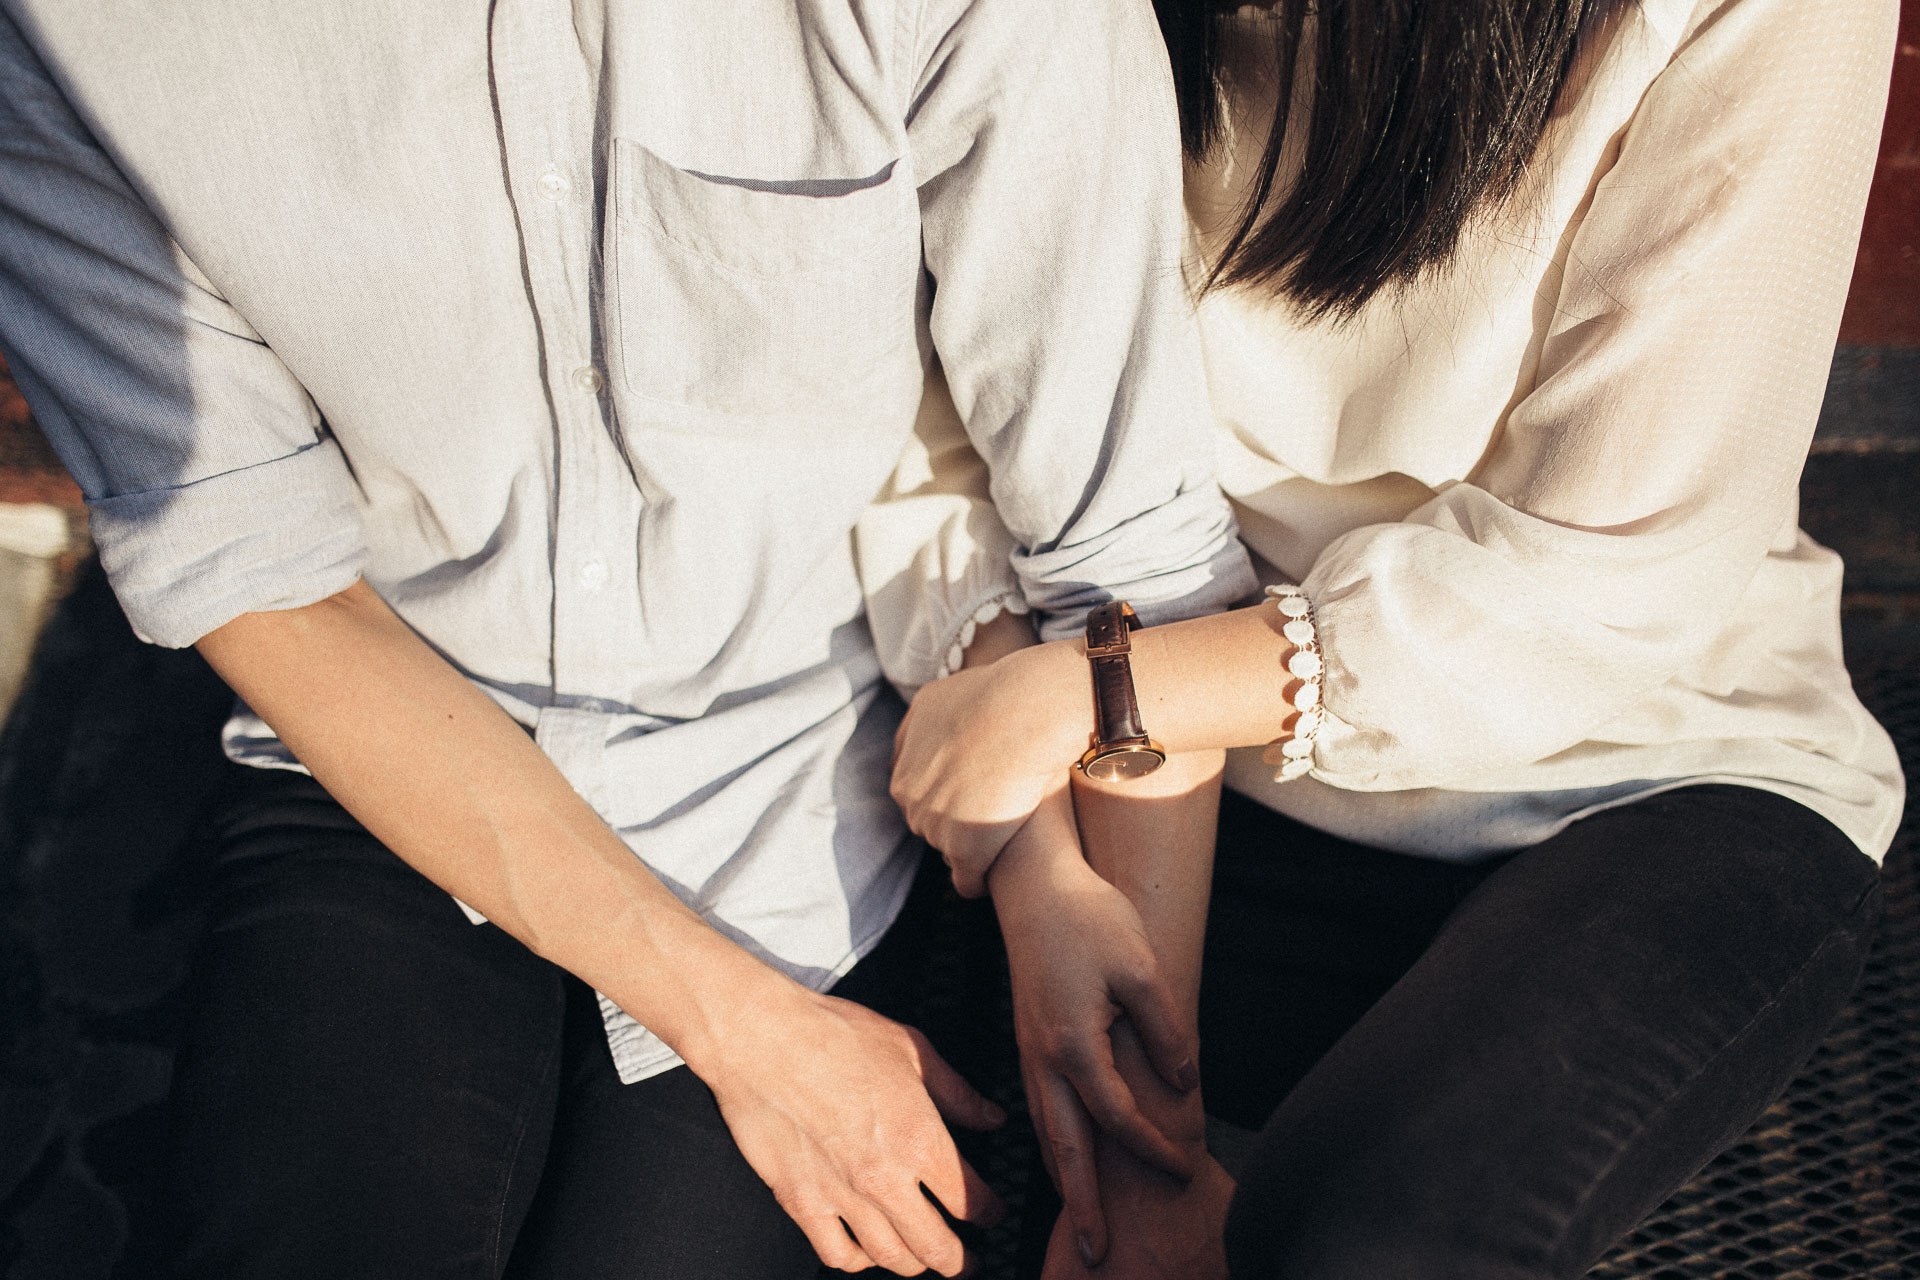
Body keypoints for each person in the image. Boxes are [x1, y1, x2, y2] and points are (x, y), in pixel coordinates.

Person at [0, 1, 1256, 1275]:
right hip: (381, 746)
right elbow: (269, 582)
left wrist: (1146, 1160)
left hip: (799, 779)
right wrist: (752, 1035)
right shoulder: (73, 37)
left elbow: (1123, 534)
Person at [875, 0, 1907, 1275]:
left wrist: (1094, 696)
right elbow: (937, 417)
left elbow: (1620, 574)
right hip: (1190, 788)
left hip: (1643, 766)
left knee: (1377, 1244)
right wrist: (1040, 850)